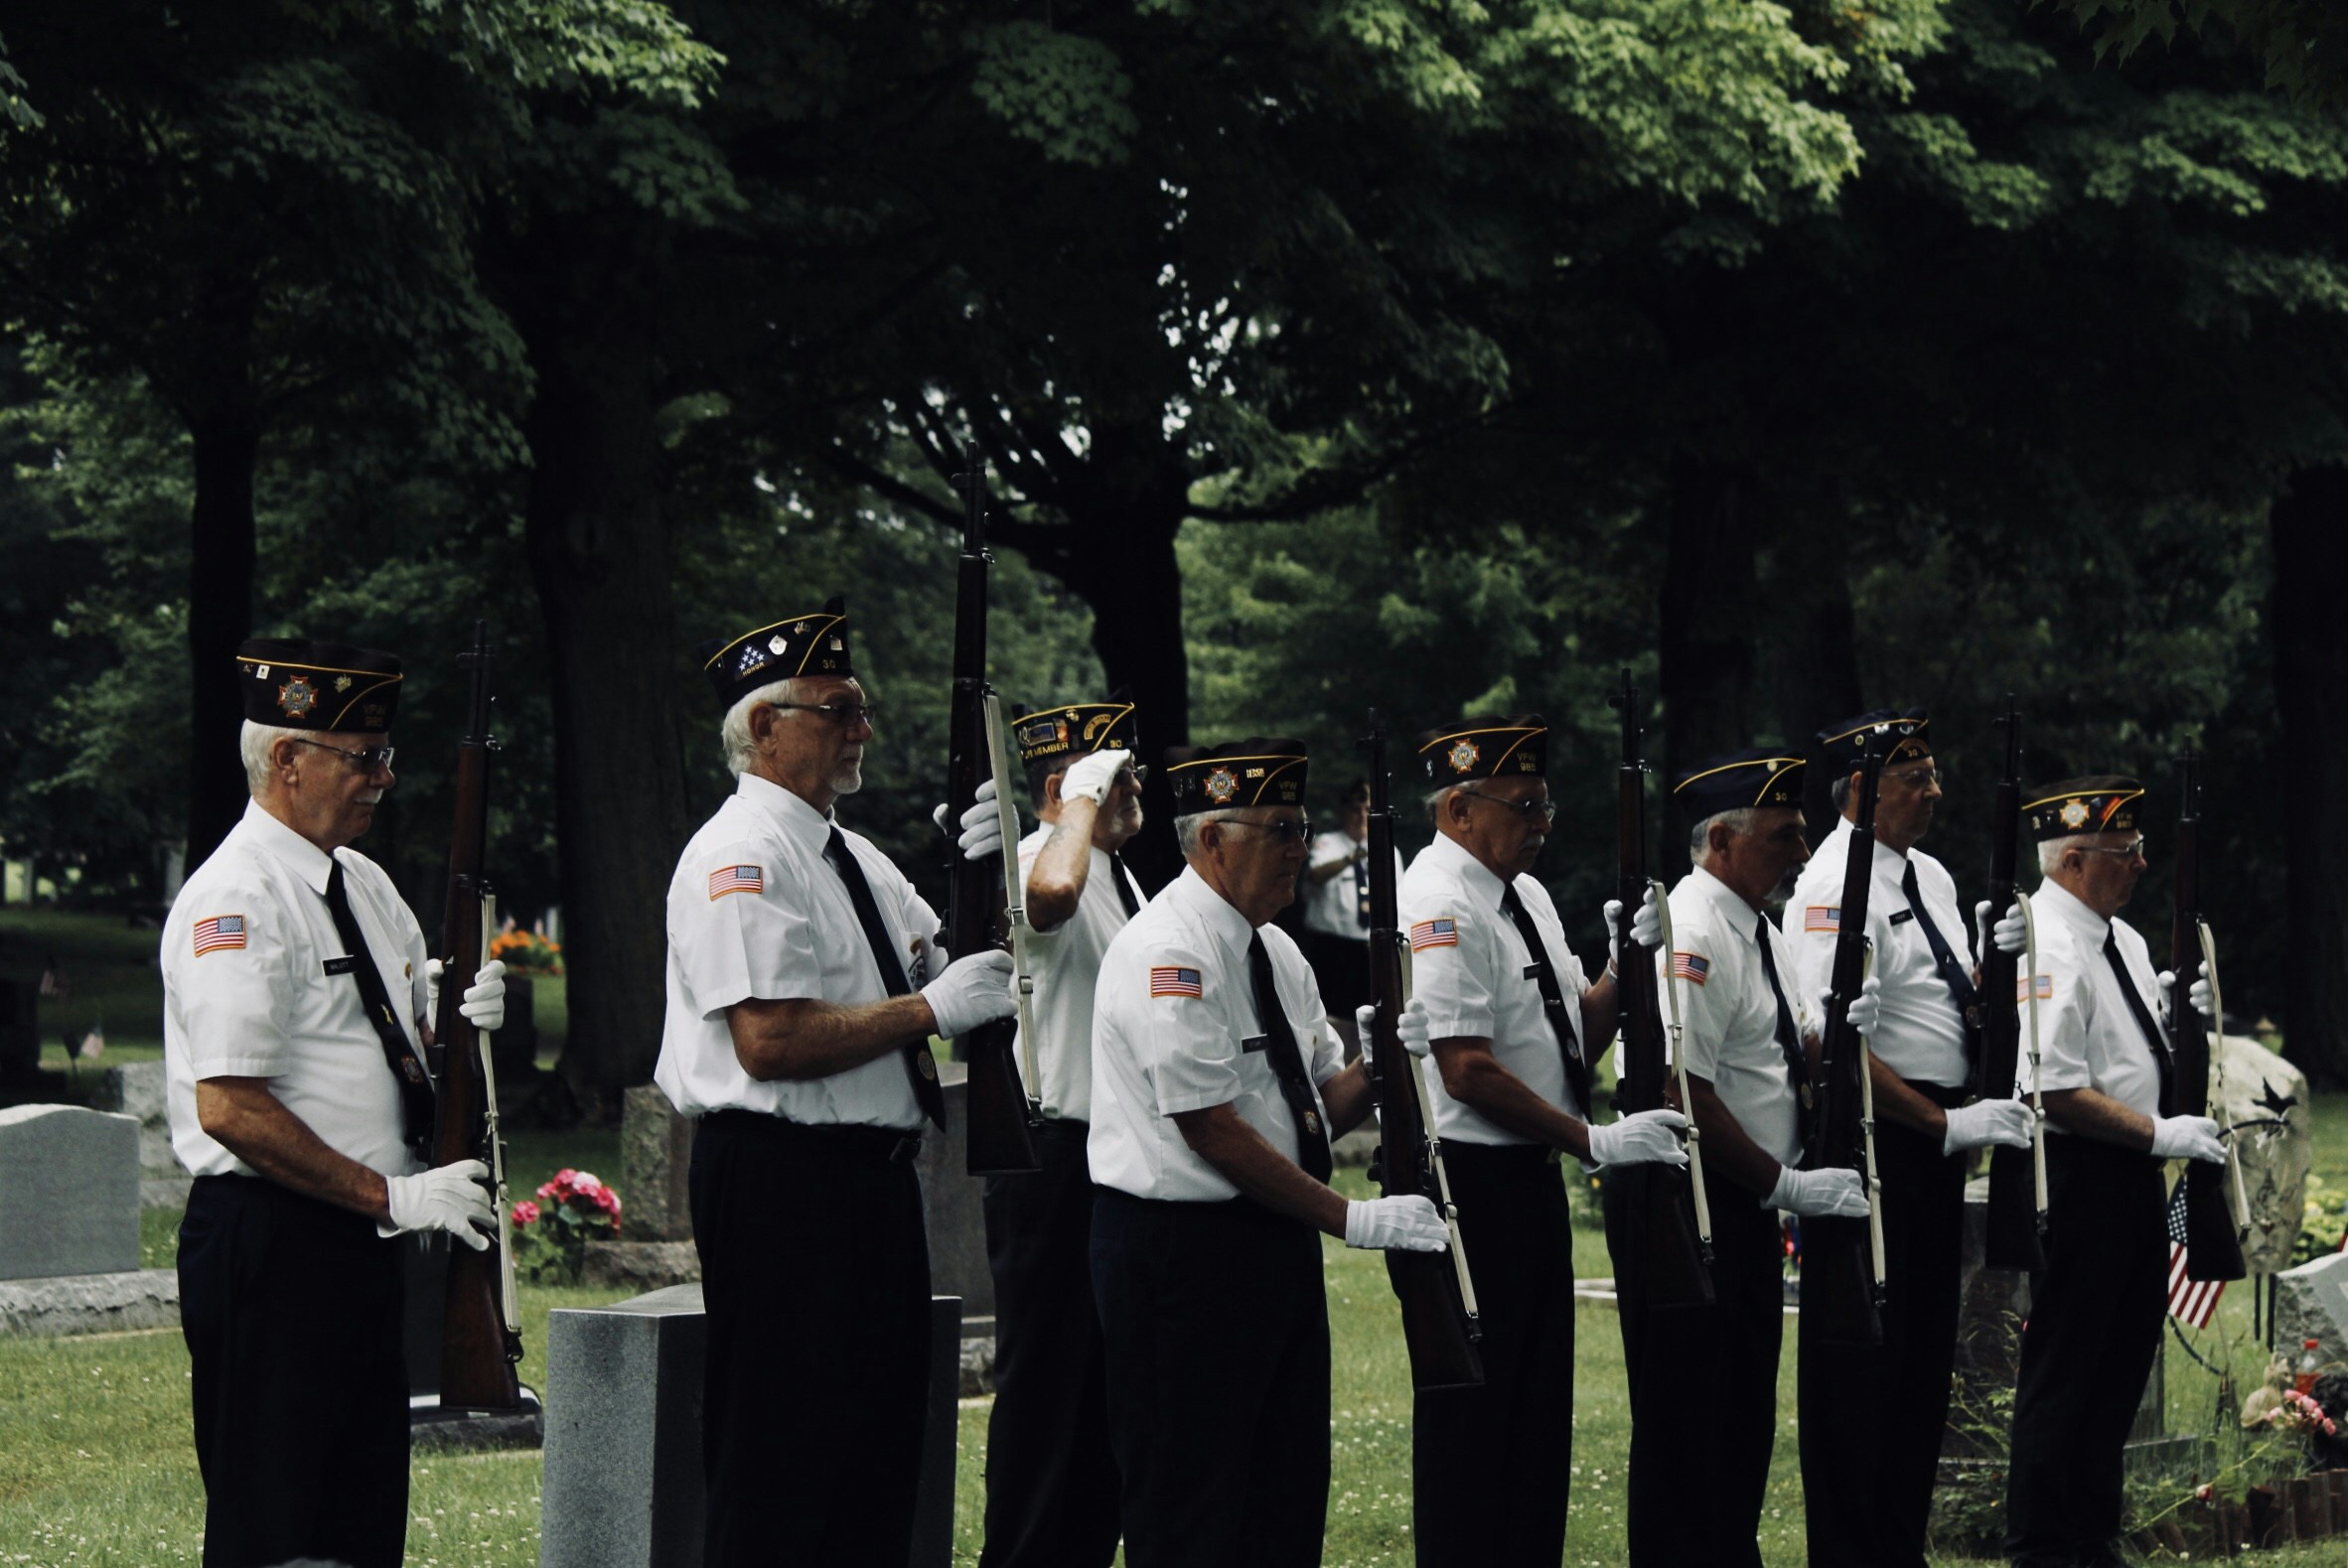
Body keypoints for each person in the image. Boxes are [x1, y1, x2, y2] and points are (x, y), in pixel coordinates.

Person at [654, 599, 1016, 1568]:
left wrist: (994, 866)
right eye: (838, 709)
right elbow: (769, 1038)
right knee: (782, 1461)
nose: (863, 729)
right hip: (781, 1179)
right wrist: (931, 1009)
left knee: (876, 1461)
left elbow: (957, 955)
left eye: (861, 708)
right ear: (764, 725)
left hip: (872, 1179)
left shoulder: (850, 854)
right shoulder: (741, 854)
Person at [163, 637, 509, 1568]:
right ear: (287, 757)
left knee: (360, 1521)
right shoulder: (237, 899)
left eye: (384, 755)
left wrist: (462, 1021)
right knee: (276, 1528)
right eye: (364, 757)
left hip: (358, 1239)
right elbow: (231, 1105)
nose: (384, 778)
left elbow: (403, 1044)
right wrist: (391, 1194)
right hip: (272, 1240)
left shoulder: (363, 883)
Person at [1088, 737, 1448, 1568]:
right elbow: (1208, 1125)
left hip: (1270, 1244)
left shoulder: (1278, 950)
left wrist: (1381, 1065)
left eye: (1302, 829)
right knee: (1191, 1506)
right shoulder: (1169, 950)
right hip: (1180, 1256)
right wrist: (1350, 1217)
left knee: (1283, 1494)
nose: (1299, 849)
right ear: (1213, 839)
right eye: (1280, 829)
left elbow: (1316, 1109)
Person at [1398, 714, 1689, 1566]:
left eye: (1546, 806)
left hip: (1526, 1177)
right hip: (1469, 1185)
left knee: (1534, 1420)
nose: (1541, 825)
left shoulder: (1523, 895)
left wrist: (1621, 965)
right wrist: (1591, 1139)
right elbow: (1465, 1069)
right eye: (1523, 806)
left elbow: (1570, 1045)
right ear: (1460, 809)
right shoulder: (1440, 900)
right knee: (1474, 1427)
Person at [1609, 747, 1872, 1568]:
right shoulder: (1695, 930)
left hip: (1744, 1199)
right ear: (1721, 840)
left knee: (1740, 1416)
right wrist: (1786, 1182)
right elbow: (1681, 1090)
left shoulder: (1757, 925)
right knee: (1688, 1425)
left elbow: (1780, 1047)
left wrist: (1841, 1032)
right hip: (1693, 1200)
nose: (1801, 851)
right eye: (1782, 835)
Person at [1783, 711, 2033, 1568]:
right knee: (1862, 1362)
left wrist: (2000, 964)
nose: (1934, 792)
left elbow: (1948, 999)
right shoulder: (1830, 884)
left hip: (1937, 1141)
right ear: (1861, 789)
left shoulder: (1929, 875)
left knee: (1923, 1360)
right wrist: (1938, 1120)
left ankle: (1898, 1545)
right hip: (1874, 1138)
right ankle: (1850, 1550)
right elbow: (1828, 1046)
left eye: (1932, 774)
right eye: (1914, 778)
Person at [1996, 778, 2225, 1568]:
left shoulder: (2119, 937)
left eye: (2138, 848)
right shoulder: (2049, 943)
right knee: (2068, 1363)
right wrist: (2160, 1131)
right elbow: (2052, 1087)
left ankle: (2091, 1535)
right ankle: (2041, 1543)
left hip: (2131, 1173)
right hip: (2081, 1171)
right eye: (2124, 852)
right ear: (2072, 861)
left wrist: (2182, 1023)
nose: (2141, 863)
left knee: (2121, 1360)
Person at [978, 696, 1149, 1568]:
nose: (1136, 787)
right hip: (1053, 1158)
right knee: (1047, 1400)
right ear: (1063, 788)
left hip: (1113, 1159)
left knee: (1099, 1408)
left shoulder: (1123, 876)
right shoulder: (1039, 859)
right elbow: (1048, 898)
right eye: (1121, 776)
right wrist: (1079, 796)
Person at [1300, 778, 1403, 1056]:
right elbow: (1316, 876)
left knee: (1370, 1019)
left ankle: (1365, 1071)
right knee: (1332, 1021)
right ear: (1342, 811)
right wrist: (1352, 858)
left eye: (1367, 809)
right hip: (1332, 948)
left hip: (1369, 948)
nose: (1361, 816)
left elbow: (1398, 897)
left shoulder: (1387, 850)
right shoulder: (1326, 844)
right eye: (1355, 809)